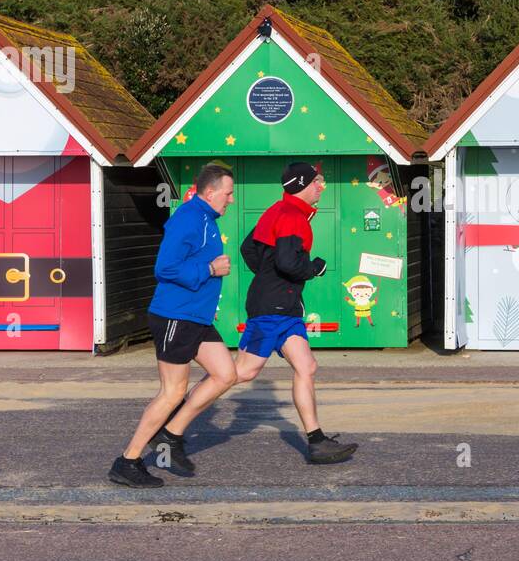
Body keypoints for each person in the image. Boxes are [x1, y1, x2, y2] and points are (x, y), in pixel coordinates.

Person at [108, 163, 237, 487]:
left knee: (226, 374)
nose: (231, 199)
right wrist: (209, 268)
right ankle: (128, 460)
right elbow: (165, 268)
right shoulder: (188, 219)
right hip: (175, 316)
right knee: (172, 391)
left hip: (196, 316)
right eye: (228, 193)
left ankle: (171, 432)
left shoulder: (205, 219)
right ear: (210, 192)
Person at [235, 162, 357, 464]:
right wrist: (313, 268)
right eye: (319, 181)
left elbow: (247, 248)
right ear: (304, 184)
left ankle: (316, 443)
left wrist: (267, 275)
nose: (323, 186)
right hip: (271, 309)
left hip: (284, 308)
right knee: (241, 373)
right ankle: (175, 423)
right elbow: (290, 263)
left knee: (307, 366)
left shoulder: (277, 211)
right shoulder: (292, 216)